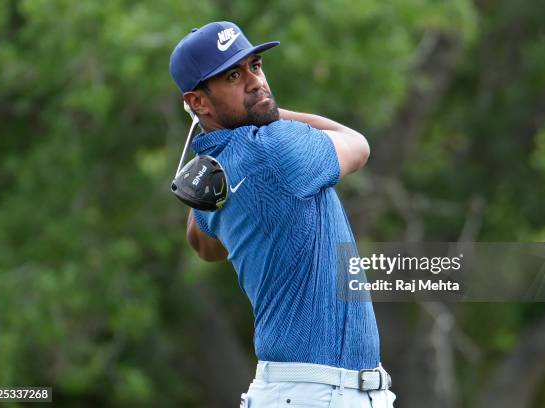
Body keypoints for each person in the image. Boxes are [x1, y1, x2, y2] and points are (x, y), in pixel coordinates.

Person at [169, 21, 396, 407]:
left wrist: (209, 148)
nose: (255, 81)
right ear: (198, 101)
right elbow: (358, 145)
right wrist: (277, 112)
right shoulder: (274, 146)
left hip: (302, 390)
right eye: (233, 76)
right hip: (322, 393)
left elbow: (205, 247)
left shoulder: (216, 170)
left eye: (255, 66)